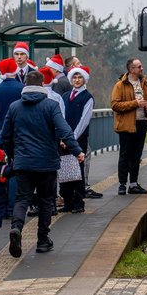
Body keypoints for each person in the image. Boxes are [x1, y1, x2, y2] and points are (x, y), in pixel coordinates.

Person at [1, 70, 84, 258]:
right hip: (46, 163)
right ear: (43, 85)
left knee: (22, 199)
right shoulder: (51, 105)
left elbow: (5, 136)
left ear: (25, 85)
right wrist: (77, 151)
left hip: (23, 162)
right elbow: (64, 130)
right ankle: (42, 240)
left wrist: (13, 155)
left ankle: (16, 228)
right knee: (46, 200)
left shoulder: (15, 107)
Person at [111, 58, 147, 195]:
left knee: (137, 155)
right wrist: (135, 103)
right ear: (131, 70)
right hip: (126, 125)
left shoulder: (144, 83)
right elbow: (115, 105)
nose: (142, 68)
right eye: (139, 66)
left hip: (141, 123)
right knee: (125, 155)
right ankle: (122, 184)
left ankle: (134, 184)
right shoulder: (120, 85)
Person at [0, 58, 23, 215]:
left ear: (1, 72)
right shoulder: (21, 89)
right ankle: (12, 206)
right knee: (15, 169)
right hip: (17, 134)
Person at [61, 65, 95, 211]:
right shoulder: (64, 96)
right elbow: (61, 117)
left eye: (79, 77)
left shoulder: (88, 97)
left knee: (77, 169)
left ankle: (78, 202)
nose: (76, 80)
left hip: (78, 138)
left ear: (84, 79)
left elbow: (84, 120)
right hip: (64, 139)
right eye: (74, 77)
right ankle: (67, 201)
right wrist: (63, 137)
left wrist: (72, 138)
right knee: (64, 168)